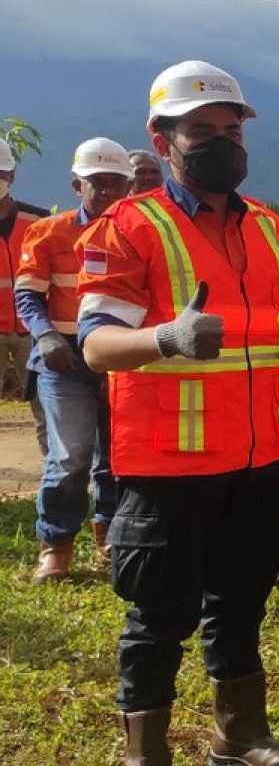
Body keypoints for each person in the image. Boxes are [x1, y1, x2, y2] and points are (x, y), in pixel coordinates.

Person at [76, 60, 279, 766]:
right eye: (201, 131)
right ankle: (144, 753)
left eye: (231, 129)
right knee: (159, 615)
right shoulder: (128, 228)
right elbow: (95, 345)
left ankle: (239, 734)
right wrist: (163, 338)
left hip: (258, 459)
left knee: (241, 604)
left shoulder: (274, 232)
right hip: (167, 464)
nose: (221, 143)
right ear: (162, 142)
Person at [16, 137, 130, 583]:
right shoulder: (48, 231)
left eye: (114, 183)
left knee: (117, 455)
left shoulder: (135, 231)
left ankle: (110, 538)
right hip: (64, 359)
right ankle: (57, 546)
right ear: (75, 185)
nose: (105, 191)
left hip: (119, 355)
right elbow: (28, 296)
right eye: (95, 183)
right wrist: (45, 337)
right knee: (69, 457)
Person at [0, 138, 49, 455]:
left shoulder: (40, 222)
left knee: (47, 412)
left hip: (34, 331)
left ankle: (59, 486)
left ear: (11, 174)